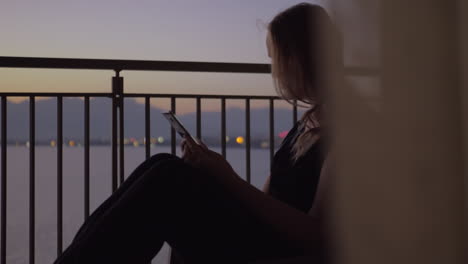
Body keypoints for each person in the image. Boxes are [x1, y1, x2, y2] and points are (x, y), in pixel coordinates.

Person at [54, 3, 342, 264]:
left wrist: (226, 178)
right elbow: (265, 202)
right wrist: (218, 173)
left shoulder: (346, 132)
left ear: (297, 58)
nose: (274, 72)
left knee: (167, 181)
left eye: (275, 59)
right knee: (163, 165)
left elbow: (316, 235)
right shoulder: (306, 123)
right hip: (262, 234)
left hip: (279, 246)